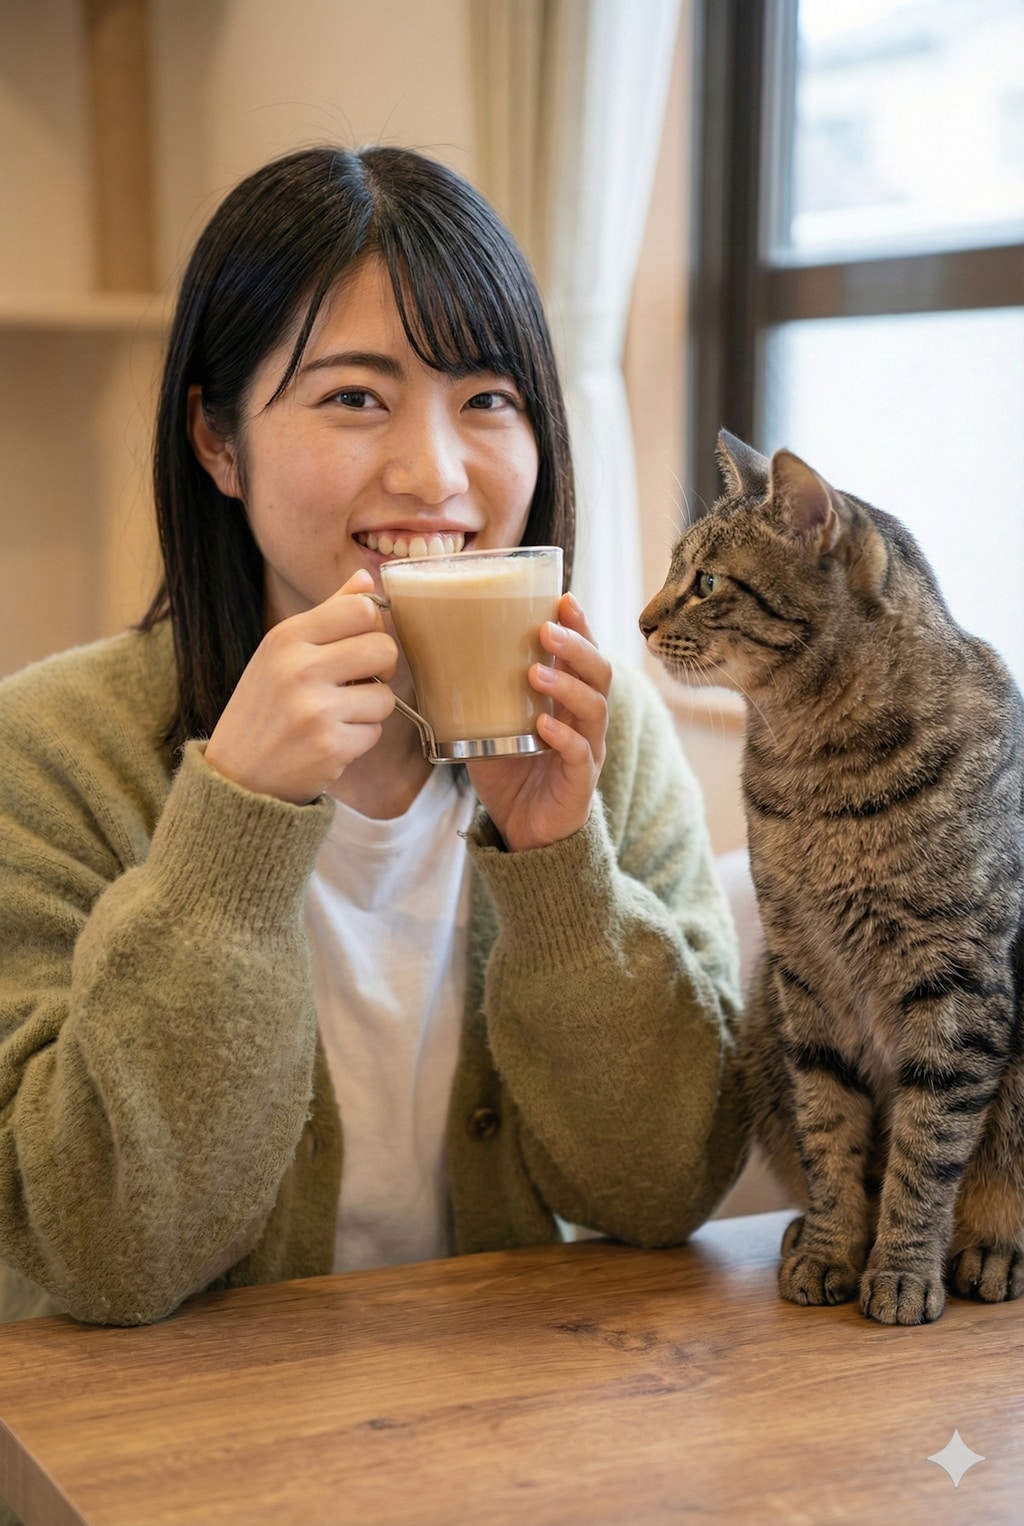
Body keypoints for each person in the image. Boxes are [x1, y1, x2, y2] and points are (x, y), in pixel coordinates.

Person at [0, 145, 748, 1331]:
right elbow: (102, 1246)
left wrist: (559, 865)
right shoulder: (46, 749)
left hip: (504, 1428)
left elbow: (661, 1189)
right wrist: (235, 820)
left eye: (487, 399)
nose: (437, 471)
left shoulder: (602, 731)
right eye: (354, 395)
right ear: (217, 440)